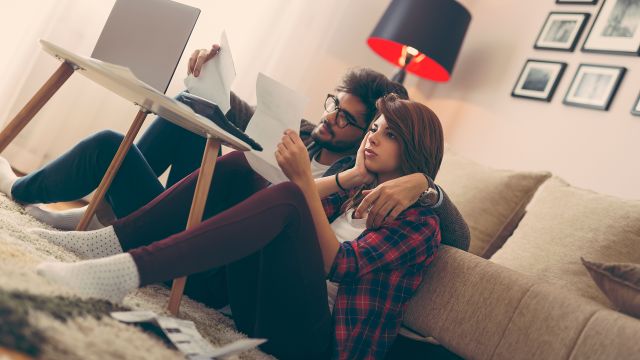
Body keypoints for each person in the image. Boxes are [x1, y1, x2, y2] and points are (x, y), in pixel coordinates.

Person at [34, 94, 444, 360]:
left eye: (388, 134)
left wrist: (424, 182)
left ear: (414, 149)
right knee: (244, 168)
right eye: (373, 128)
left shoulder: (421, 223)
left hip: (315, 346)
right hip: (261, 308)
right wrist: (350, 177)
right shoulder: (355, 188)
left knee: (288, 198)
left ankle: (124, 270)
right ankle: (107, 245)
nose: (373, 138)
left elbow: (339, 266)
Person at [0, 46, 468, 249]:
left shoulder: (360, 172)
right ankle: (98, 208)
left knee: (106, 145)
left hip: (218, 226)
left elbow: (457, 235)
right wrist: (212, 67)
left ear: (367, 134)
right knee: (193, 105)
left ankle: (56, 200)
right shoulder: (304, 131)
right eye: (333, 105)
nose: (332, 119)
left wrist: (427, 184)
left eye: (349, 120)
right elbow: (228, 106)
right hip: (194, 206)